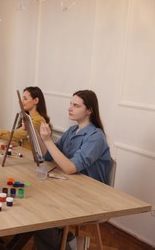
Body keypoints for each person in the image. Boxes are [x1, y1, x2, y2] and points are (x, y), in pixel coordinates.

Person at [34, 90, 112, 250]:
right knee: (34, 207)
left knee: (39, 215)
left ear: (89, 110)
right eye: (71, 104)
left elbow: (70, 168)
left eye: (76, 105)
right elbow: (49, 156)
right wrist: (40, 137)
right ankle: (71, 241)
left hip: (89, 196)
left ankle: (69, 244)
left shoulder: (96, 137)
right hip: (70, 188)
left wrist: (48, 140)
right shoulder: (72, 131)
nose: (70, 108)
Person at [0, 86, 50, 150]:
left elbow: (13, 135)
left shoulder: (38, 121)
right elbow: (18, 138)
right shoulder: (28, 118)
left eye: (25, 99)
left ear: (36, 100)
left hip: (31, 159)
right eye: (22, 98)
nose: (21, 101)